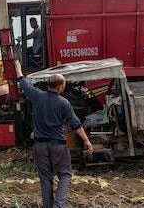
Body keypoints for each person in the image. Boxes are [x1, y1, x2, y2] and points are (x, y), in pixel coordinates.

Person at [14, 60, 93, 208]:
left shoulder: (37, 95)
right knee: (65, 174)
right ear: (60, 86)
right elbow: (75, 124)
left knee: (45, 178)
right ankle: (59, 205)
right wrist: (87, 141)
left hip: (40, 146)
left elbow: (24, 84)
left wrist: (18, 70)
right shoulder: (64, 103)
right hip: (58, 146)